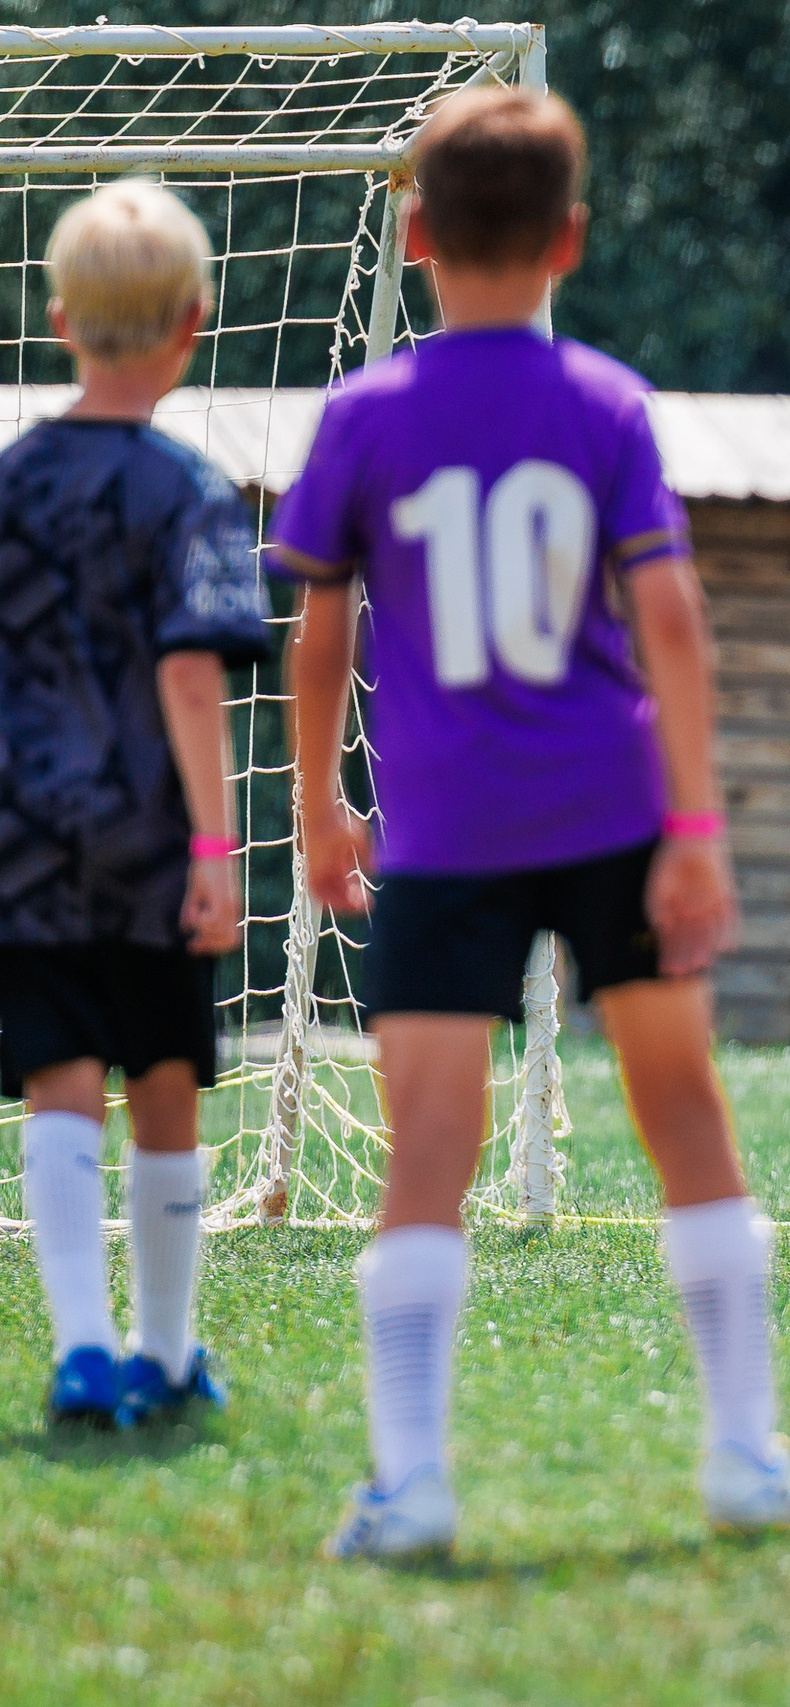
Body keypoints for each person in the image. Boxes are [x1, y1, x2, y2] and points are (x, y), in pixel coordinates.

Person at [268, 86, 790, 1560]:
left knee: (425, 1151)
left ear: (418, 229)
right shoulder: (605, 403)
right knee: (685, 1114)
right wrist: (695, 826)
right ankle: (744, 1454)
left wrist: (325, 804)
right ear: (572, 237)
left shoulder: (366, 412)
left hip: (441, 834)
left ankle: (412, 1481)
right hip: (612, 812)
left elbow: (318, 634)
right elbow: (677, 623)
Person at [0, 179, 269, 1428]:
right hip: (155, 838)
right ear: (192, 323)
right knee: (166, 1079)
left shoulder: (8, 479)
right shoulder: (189, 490)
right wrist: (217, 844)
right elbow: (186, 669)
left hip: (25, 840)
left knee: (58, 1081)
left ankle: (82, 1349)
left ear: (58, 320)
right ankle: (166, 1352)